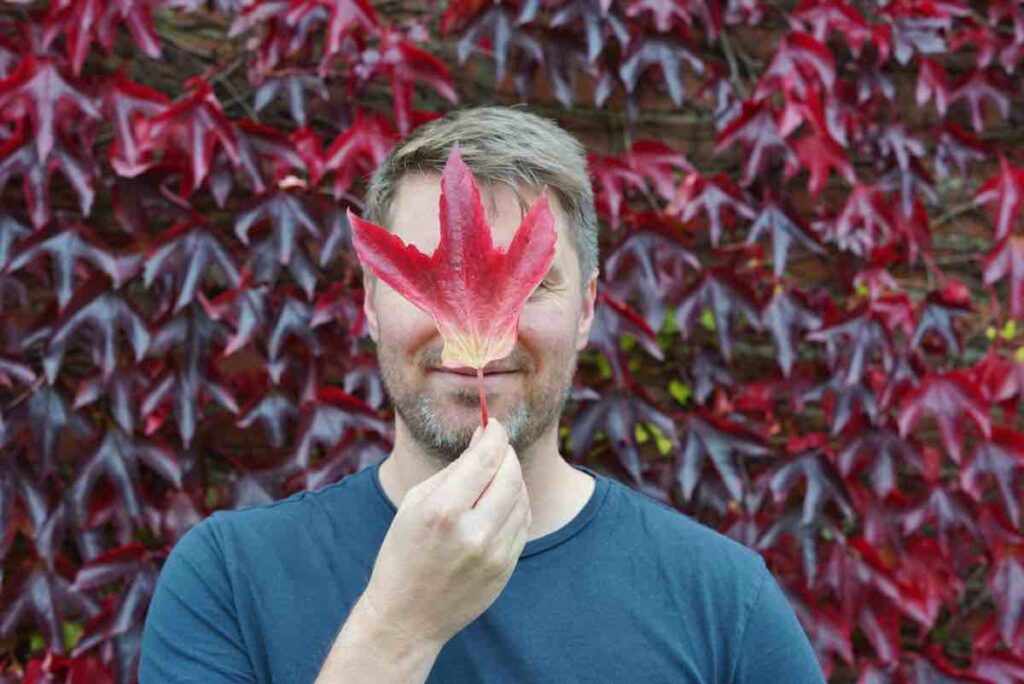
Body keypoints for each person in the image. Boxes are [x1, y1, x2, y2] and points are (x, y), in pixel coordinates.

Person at [139, 105, 826, 683]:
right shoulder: (228, 579)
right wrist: (398, 626)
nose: (486, 336)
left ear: (587, 309)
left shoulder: (723, 602)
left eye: (530, 284)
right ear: (372, 303)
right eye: (424, 279)